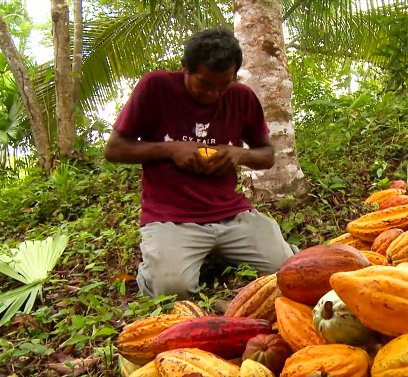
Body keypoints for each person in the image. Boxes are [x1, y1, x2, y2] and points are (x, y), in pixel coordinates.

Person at [104, 27, 294, 298]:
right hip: (171, 218)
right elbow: (114, 149)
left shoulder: (242, 98)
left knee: (286, 270)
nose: (214, 94)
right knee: (170, 289)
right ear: (185, 69)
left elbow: (267, 155)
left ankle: (213, 255)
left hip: (231, 215)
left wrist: (240, 155)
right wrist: (171, 149)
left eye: (224, 84)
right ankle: (162, 267)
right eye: (204, 84)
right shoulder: (156, 88)